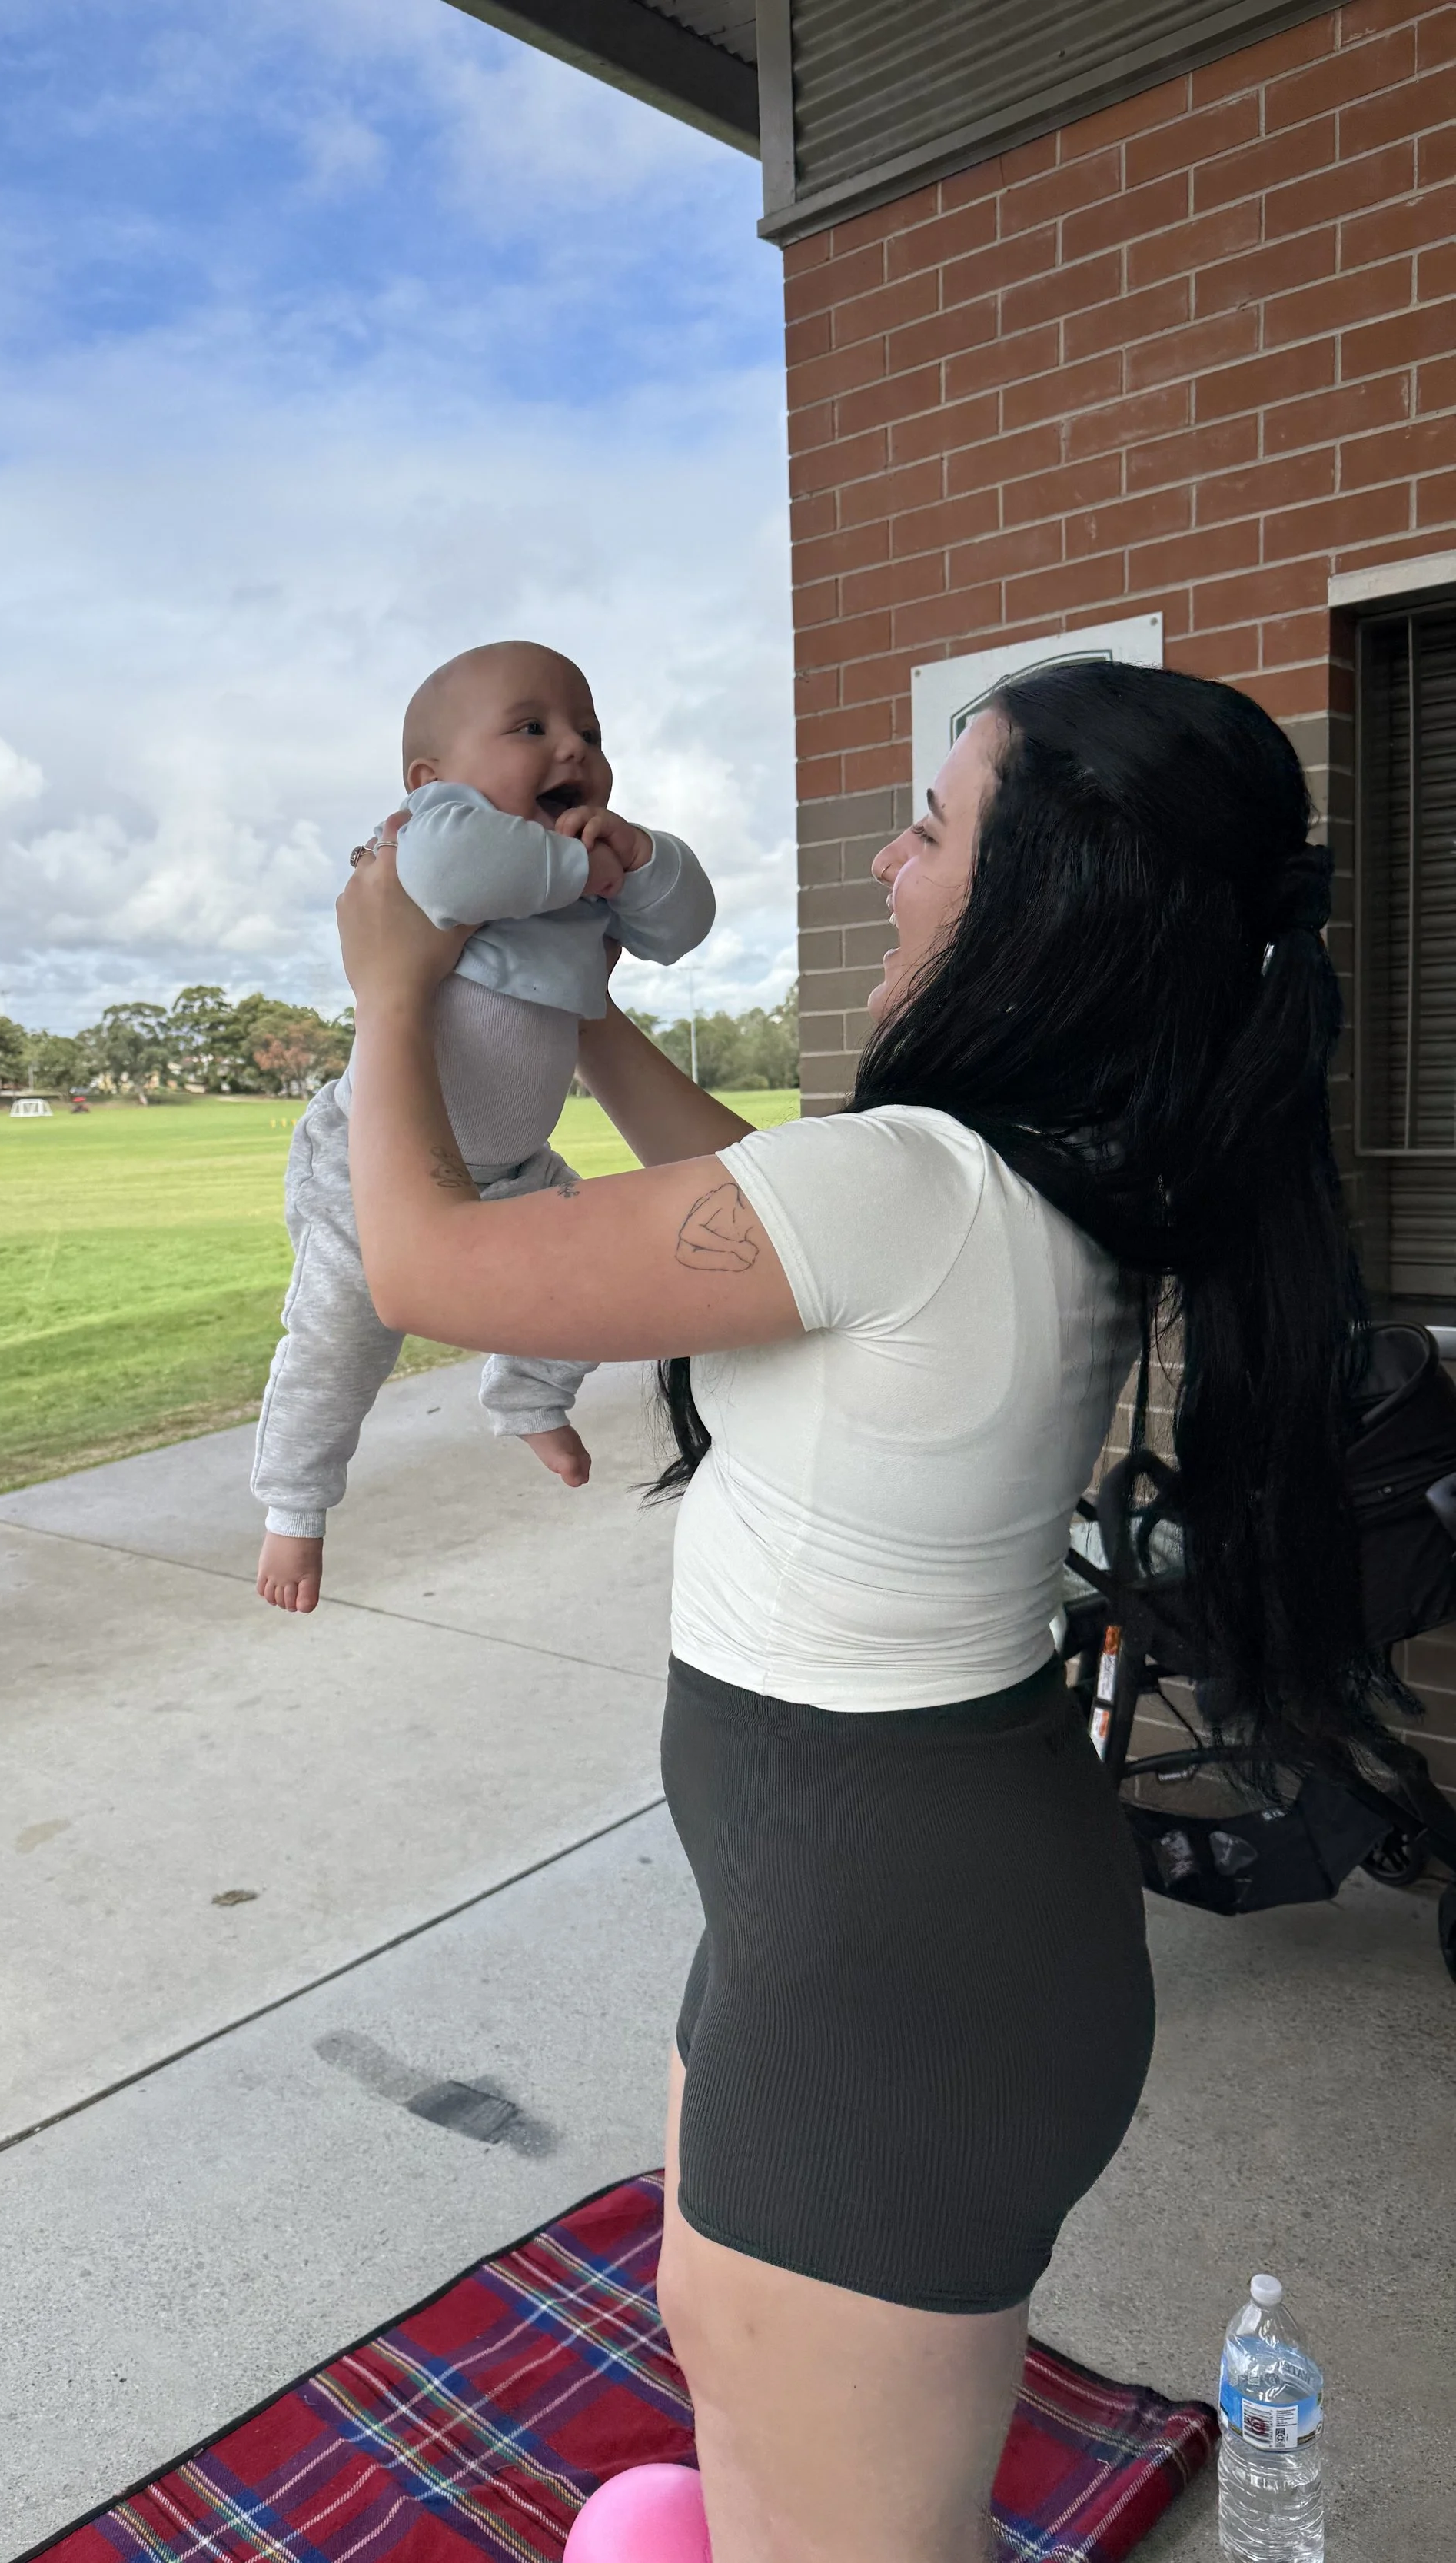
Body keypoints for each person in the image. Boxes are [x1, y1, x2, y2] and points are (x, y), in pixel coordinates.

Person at [332, 661, 1382, 2563]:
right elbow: (748, 1196)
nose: (891, 869)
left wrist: (394, 982)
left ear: (1039, 905)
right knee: (744, 2391)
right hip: (861, 1912)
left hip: (896, 1971)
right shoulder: (1016, 1181)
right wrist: (566, 1016)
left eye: (929, 825)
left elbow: (422, 1258)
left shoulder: (916, 1188)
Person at [251, 639, 713, 1613]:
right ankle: (295, 1506)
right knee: (341, 1340)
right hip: (364, 1159)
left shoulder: (581, 864)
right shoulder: (441, 826)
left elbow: (680, 930)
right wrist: (574, 869)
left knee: (600, 1272)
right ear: (429, 776)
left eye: (588, 731)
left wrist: (637, 857)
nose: (571, 751)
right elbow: (460, 874)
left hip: (512, 1163)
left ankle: (527, 1398)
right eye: (531, 728)